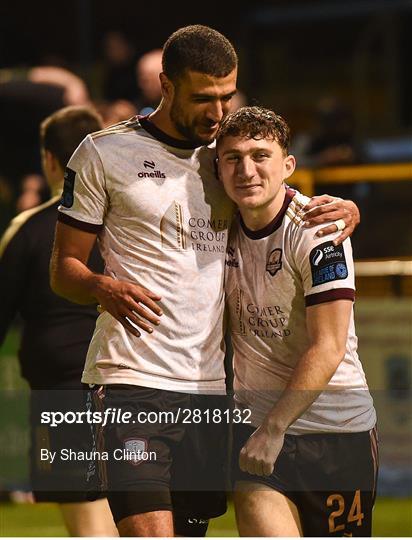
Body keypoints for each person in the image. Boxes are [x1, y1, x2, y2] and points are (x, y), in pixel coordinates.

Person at [50, 25, 360, 537]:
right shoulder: (103, 154)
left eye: (226, 96)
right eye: (202, 98)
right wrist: (102, 287)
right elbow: (64, 269)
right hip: (131, 380)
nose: (216, 113)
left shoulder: (225, 156)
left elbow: (277, 201)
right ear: (165, 85)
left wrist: (347, 209)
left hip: (211, 392)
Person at [216, 106, 378, 537]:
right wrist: (265, 430)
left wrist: (275, 428)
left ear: (288, 165)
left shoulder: (319, 230)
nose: (246, 170)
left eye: (259, 155)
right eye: (232, 157)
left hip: (337, 434)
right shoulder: (213, 225)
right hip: (258, 433)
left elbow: (329, 346)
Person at [0, 106, 117, 536]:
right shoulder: (130, 221)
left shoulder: (29, 229)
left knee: (89, 522)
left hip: (63, 391)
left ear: (50, 160)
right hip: (140, 383)